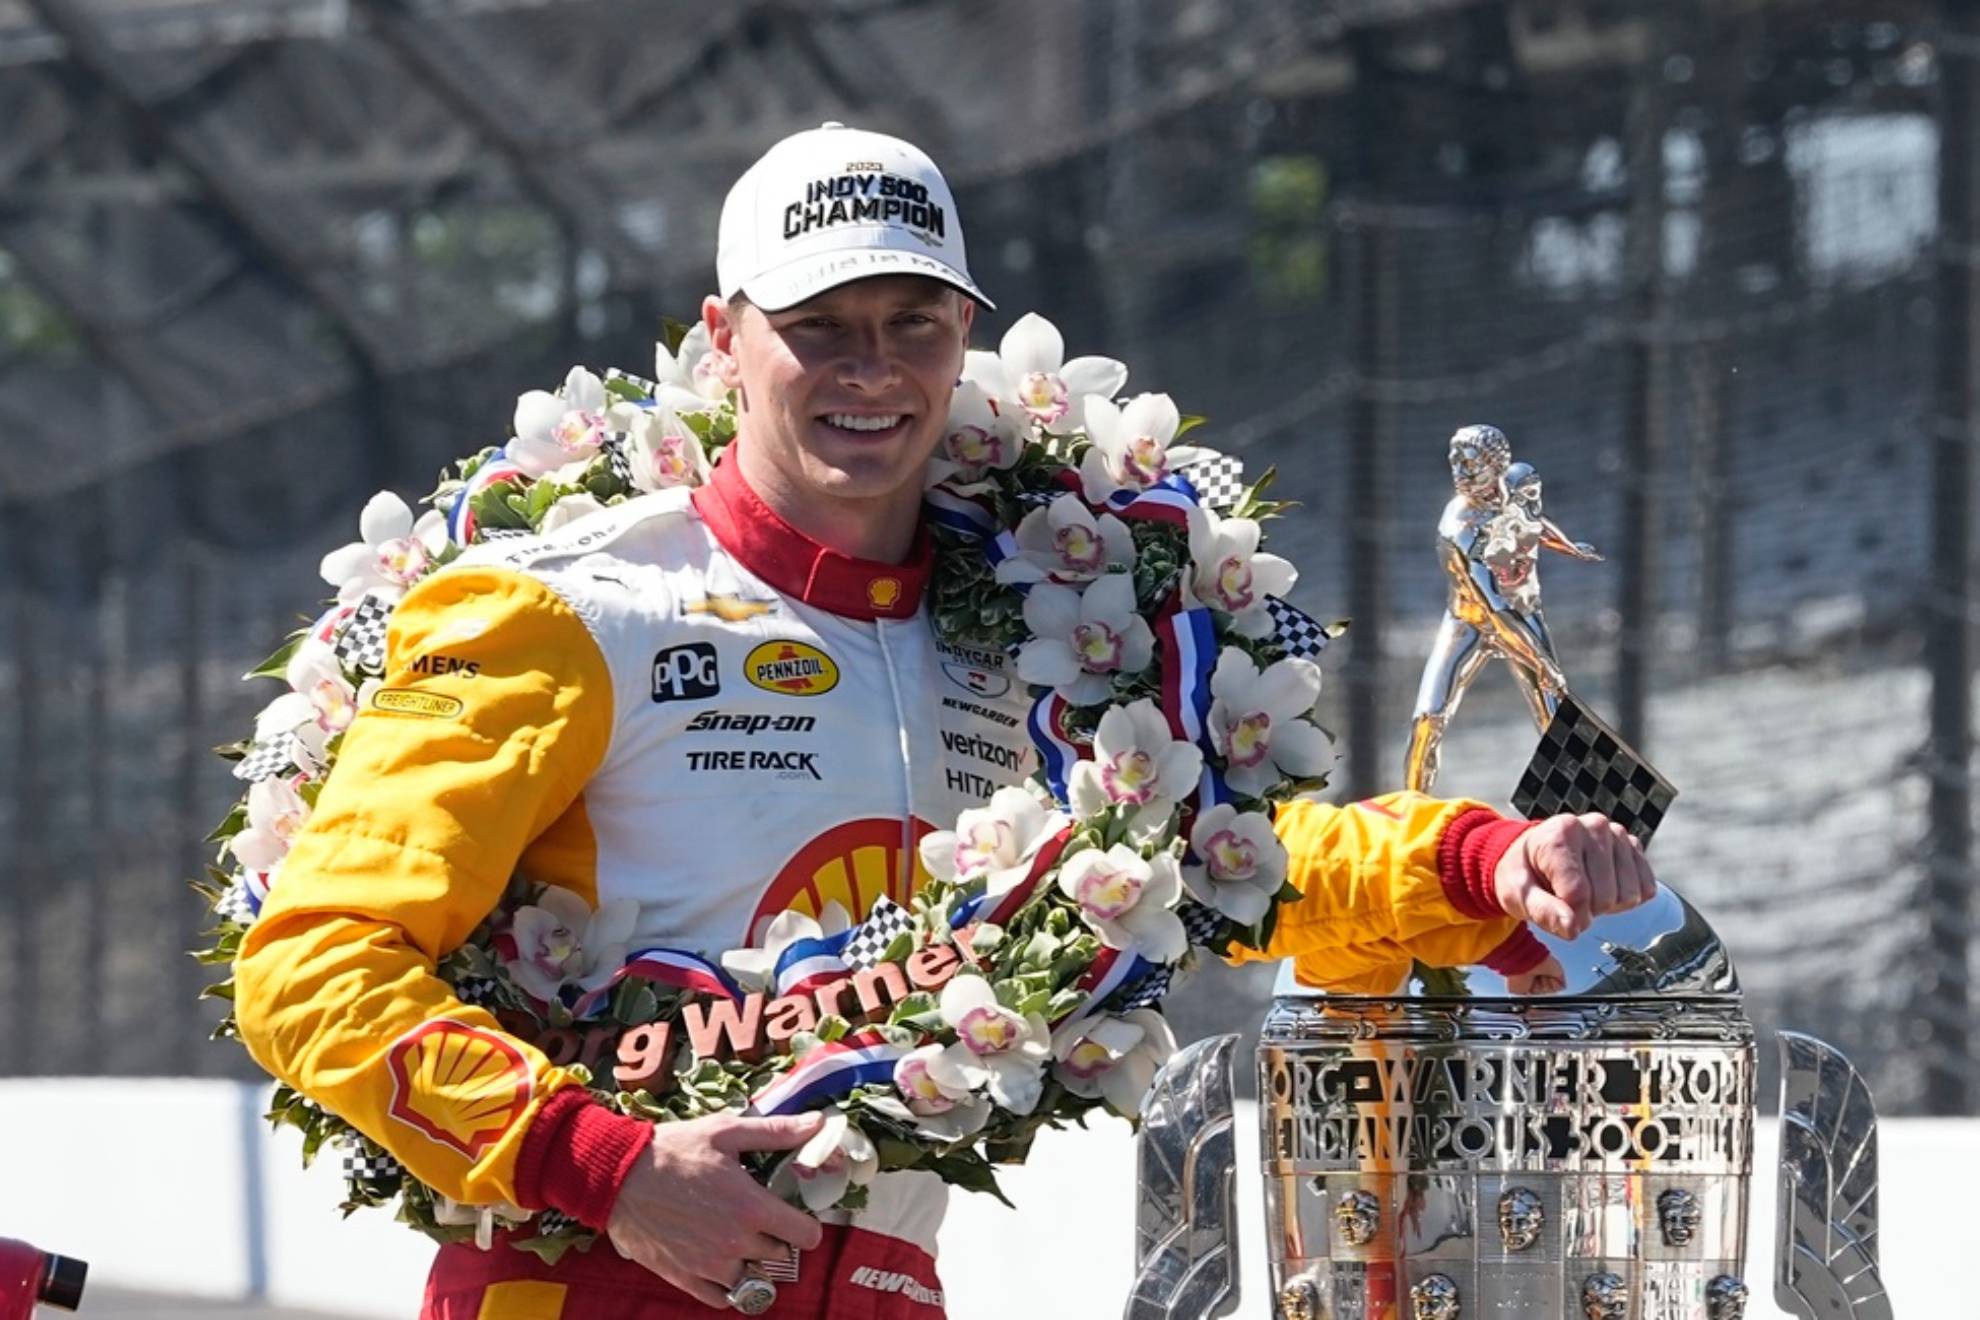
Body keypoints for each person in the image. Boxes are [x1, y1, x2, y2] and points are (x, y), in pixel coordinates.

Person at [233, 123, 1656, 1320]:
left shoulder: (1043, 617)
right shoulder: (564, 607)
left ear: (963, 335)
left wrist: (1482, 861)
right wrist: (602, 1164)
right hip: (594, 1278)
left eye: (912, 324)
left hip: (892, 1286)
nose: (872, 370)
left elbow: (1215, 866)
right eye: (819, 330)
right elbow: (312, 963)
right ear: (725, 343)